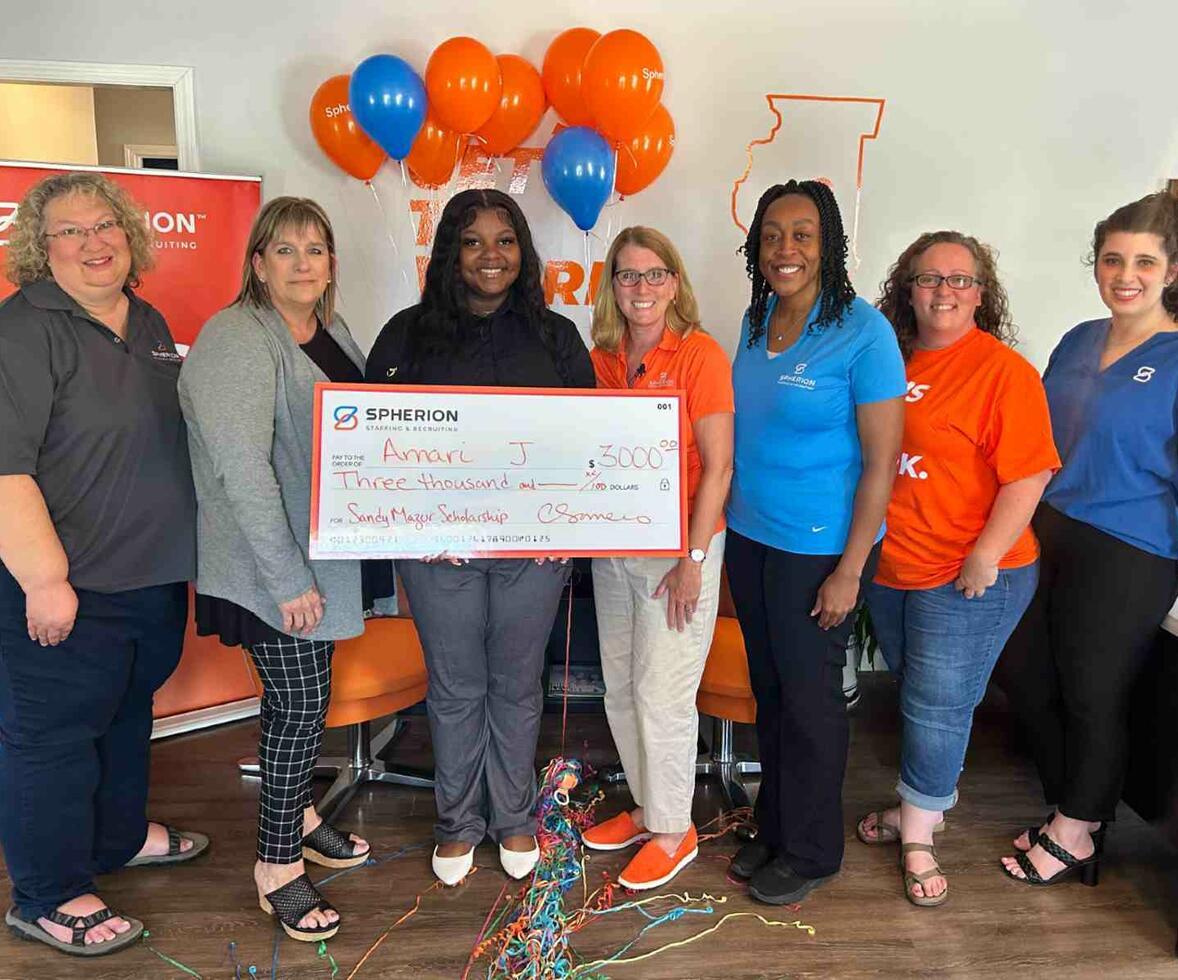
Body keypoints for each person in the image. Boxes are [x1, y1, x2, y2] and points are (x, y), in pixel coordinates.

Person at [0, 172, 207, 957]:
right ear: (39, 248)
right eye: (71, 232)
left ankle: (114, 838)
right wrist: (44, 581)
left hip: (149, 579)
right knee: (48, 738)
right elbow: (5, 469)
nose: (95, 243)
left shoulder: (147, 320)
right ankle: (48, 893)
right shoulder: (23, 331)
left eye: (106, 226)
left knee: (124, 720)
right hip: (66, 585)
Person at [365, 189, 595, 886]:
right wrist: (410, 525)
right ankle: (458, 824)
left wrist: (569, 530)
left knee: (517, 685)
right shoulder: (404, 334)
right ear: (449, 253)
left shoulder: (556, 338)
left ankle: (515, 819)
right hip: (439, 555)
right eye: (472, 241)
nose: (489, 255)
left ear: (522, 252)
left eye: (504, 240)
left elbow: (588, 447)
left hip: (533, 554)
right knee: (457, 687)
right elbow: (377, 442)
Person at [178, 197, 375, 943]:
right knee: (297, 709)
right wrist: (287, 577)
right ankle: (276, 869)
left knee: (305, 701)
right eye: (284, 250)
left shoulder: (329, 330)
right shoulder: (238, 337)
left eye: (315, 250)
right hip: (271, 568)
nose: (302, 263)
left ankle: (303, 815)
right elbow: (240, 470)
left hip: (319, 556)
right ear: (256, 262)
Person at [855, 232, 1060, 906]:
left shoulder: (1002, 372)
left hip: (970, 570)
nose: (943, 291)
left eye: (959, 279)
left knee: (935, 707)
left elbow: (1027, 475)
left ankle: (917, 834)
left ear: (981, 292)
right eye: (928, 278)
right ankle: (923, 805)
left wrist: (983, 555)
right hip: (894, 566)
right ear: (906, 288)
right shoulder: (891, 358)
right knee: (918, 692)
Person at [998, 192, 1178, 886]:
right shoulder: (1079, 339)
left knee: (1091, 690)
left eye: (1143, 260)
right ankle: (1072, 807)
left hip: (1131, 546)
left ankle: (1076, 829)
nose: (1124, 274)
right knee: (1022, 669)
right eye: (1112, 259)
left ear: (1171, 271)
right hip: (1048, 526)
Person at [724, 178, 905, 905]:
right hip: (749, 537)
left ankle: (811, 851)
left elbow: (881, 462)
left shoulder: (864, 332)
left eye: (802, 234)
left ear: (828, 245)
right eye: (771, 235)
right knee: (769, 695)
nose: (784, 248)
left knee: (809, 704)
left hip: (818, 550)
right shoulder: (756, 315)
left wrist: (849, 570)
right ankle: (774, 825)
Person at [580, 228, 734, 889]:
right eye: (626, 275)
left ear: (675, 281)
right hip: (613, 552)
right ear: (611, 285)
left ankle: (675, 831)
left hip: (678, 552)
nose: (640, 288)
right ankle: (650, 809)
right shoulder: (601, 357)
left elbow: (720, 466)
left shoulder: (699, 354)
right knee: (619, 690)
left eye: (653, 274)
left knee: (662, 695)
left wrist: (694, 558)